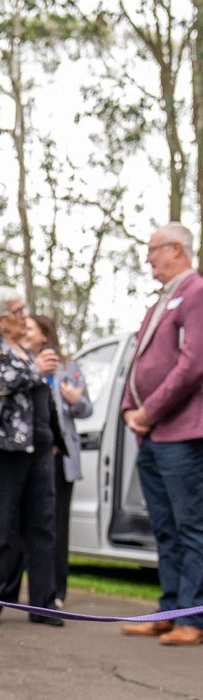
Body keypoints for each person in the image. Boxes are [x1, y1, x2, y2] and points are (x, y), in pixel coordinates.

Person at [120, 223, 203, 645]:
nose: (148, 258)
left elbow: (193, 362)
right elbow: (141, 362)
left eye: (153, 250)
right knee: (165, 527)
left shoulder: (195, 292)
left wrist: (149, 411)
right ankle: (170, 608)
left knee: (191, 526)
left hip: (181, 433)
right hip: (152, 436)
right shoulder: (162, 301)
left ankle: (194, 617)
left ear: (176, 248)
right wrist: (128, 411)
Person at [0, 286, 66, 628]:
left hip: (39, 450)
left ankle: (44, 605)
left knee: (43, 525)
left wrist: (54, 437)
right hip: (3, 451)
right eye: (19, 311)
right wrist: (34, 369)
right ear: (0, 318)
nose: (26, 317)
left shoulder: (26, 350)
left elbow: (42, 399)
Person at [22, 313, 93, 607]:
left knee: (57, 526)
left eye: (31, 328)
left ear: (45, 335)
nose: (25, 330)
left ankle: (57, 592)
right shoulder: (22, 363)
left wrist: (75, 399)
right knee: (31, 524)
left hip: (60, 460)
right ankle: (31, 590)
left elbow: (87, 408)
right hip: (30, 456)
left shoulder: (69, 367)